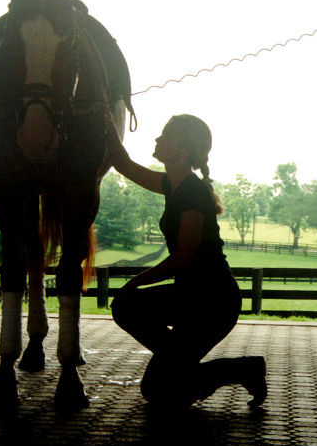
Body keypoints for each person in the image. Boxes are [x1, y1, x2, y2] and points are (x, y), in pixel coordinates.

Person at [107, 113, 267, 408]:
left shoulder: (193, 194)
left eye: (165, 136)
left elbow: (183, 257)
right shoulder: (173, 184)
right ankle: (189, 365)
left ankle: (244, 369)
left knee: (160, 389)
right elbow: (124, 165)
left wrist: (135, 281)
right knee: (156, 385)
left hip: (213, 303)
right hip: (190, 298)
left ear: (181, 151)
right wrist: (102, 117)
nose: (157, 140)